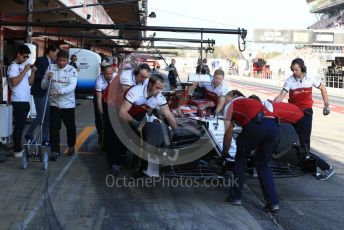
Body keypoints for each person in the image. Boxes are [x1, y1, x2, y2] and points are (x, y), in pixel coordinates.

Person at [221, 90, 280, 213]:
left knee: (241, 160)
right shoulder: (252, 101)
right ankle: (273, 203)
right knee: (263, 164)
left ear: (233, 96)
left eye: (226, 98)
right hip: (274, 126)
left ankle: (235, 197)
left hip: (256, 126)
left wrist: (225, 153)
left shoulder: (229, 105)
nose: (224, 102)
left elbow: (228, 133)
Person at [274, 58, 332, 178]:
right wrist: (273, 105)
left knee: (304, 145)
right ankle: (291, 165)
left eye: (296, 69)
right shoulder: (290, 80)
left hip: (306, 114)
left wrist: (326, 105)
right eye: (292, 70)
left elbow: (323, 88)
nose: (294, 72)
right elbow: (281, 96)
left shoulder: (310, 78)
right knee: (289, 140)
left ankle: (323, 167)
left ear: (302, 67)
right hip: (293, 113)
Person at [251, 96, 334, 181]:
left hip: (301, 120)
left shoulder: (267, 110)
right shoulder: (264, 103)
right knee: (292, 147)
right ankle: (303, 166)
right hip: (294, 119)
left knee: (302, 149)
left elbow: (270, 128)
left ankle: (327, 168)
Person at [41, 50, 78, 161]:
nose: (61, 62)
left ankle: (71, 145)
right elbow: (43, 86)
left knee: (70, 127)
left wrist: (59, 91)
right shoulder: (51, 68)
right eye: (60, 60)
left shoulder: (72, 70)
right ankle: (55, 151)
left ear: (67, 60)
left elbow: (72, 86)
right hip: (54, 104)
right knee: (54, 128)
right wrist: (47, 78)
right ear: (56, 59)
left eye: (64, 60)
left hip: (68, 104)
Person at [25, 44, 59, 145]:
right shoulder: (41, 60)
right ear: (51, 52)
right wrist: (46, 76)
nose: (57, 56)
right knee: (41, 116)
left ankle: (44, 139)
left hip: (47, 92)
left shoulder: (52, 63)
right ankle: (29, 133)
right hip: (39, 92)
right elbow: (36, 75)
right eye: (56, 53)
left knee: (46, 116)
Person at [7, 45, 35, 158]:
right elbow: (14, 82)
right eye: (24, 56)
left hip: (25, 100)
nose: (25, 58)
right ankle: (17, 150)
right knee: (19, 126)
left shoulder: (24, 66)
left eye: (27, 57)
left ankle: (16, 147)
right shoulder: (12, 67)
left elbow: (29, 83)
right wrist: (24, 70)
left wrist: (32, 72)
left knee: (22, 126)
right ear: (18, 54)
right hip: (17, 101)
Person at [94, 64, 115, 146]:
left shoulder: (116, 78)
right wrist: (101, 112)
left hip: (111, 97)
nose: (109, 76)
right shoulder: (99, 81)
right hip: (100, 97)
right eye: (107, 73)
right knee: (99, 118)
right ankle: (100, 134)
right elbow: (99, 98)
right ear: (103, 73)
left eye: (111, 73)